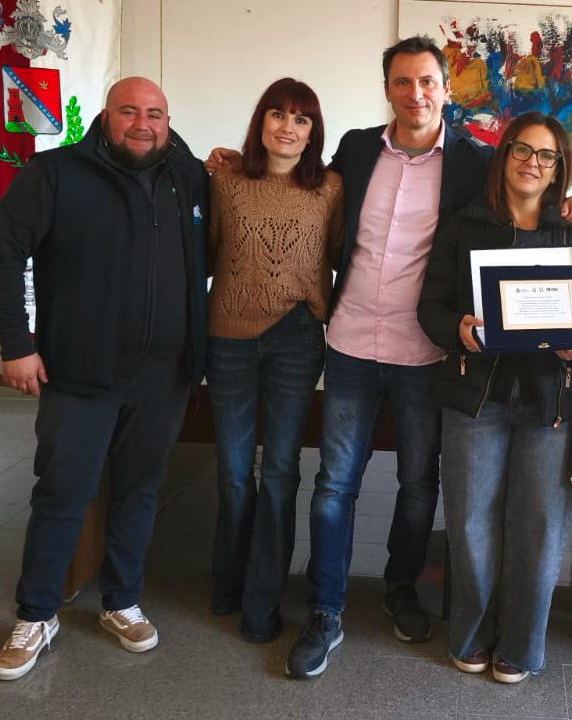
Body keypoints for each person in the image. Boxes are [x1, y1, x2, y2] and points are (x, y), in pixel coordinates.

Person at [205, 35, 572, 679]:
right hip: (351, 341)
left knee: (417, 488)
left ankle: (400, 590)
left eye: (427, 82)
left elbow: (526, 201)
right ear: (387, 89)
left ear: (446, 89)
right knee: (335, 484)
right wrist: (228, 161)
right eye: (403, 82)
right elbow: (297, 180)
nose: (416, 94)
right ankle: (326, 611)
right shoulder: (357, 149)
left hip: (425, 351)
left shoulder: (473, 161)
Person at [0, 76, 209, 680]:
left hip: (163, 376)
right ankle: (36, 614)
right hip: (79, 375)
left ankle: (121, 600)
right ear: (105, 116)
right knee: (62, 494)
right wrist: (16, 343)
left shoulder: (188, 178)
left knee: (140, 492)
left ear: (168, 121)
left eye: (155, 113)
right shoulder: (54, 174)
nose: (142, 124)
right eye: (128, 111)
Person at [417, 112, 572, 684]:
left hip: (548, 405)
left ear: (559, 169)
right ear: (504, 156)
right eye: (521, 150)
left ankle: (520, 646)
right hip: (477, 398)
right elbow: (429, 307)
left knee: (539, 529)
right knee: (470, 523)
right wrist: (458, 329)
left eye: (545, 155)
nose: (531, 163)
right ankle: (470, 636)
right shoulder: (464, 225)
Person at [205, 77, 344, 642]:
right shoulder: (225, 180)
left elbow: (342, 256)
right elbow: (205, 252)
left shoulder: (330, 188)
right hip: (229, 339)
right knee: (235, 474)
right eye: (278, 115)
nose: (288, 127)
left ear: (313, 132)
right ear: (261, 121)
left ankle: (262, 604)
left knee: (282, 471)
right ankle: (228, 584)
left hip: (296, 338)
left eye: (301, 119)